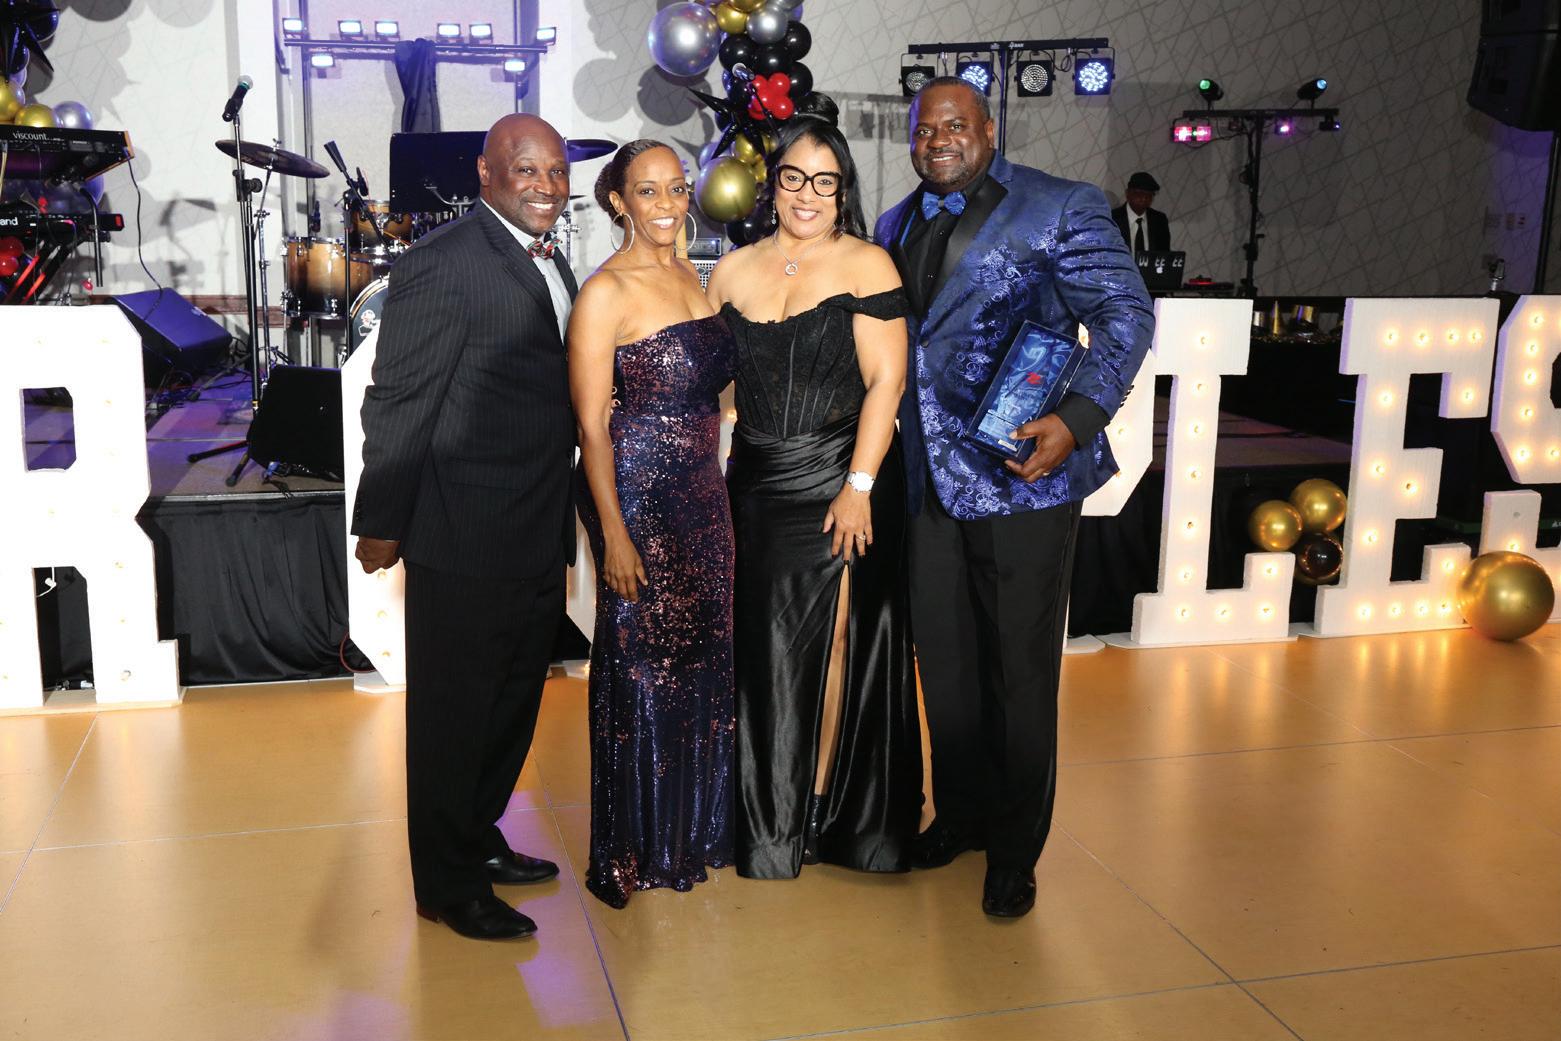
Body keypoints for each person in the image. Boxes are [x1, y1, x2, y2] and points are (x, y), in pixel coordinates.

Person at [875, 78, 1153, 918]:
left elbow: (1125, 313)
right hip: (926, 481)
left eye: (954, 125)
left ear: (989, 131)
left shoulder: (1059, 205)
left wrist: (1077, 417)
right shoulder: (892, 223)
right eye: (924, 130)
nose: (937, 139)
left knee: (1018, 674)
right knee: (946, 666)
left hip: (1024, 474)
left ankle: (1014, 849)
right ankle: (960, 815)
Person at [352, 114, 577, 941]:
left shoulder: (549, 258)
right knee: (453, 716)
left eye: (556, 171)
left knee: (512, 702)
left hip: (534, 523)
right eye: (527, 169)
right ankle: (446, 885)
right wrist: (382, 521)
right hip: (463, 528)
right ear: (485, 173)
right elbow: (399, 402)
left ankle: (478, 836)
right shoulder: (441, 262)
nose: (546, 185)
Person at [708, 116, 920, 879]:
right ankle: (765, 809)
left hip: (841, 474)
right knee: (761, 648)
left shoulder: (867, 263)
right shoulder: (730, 271)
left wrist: (858, 486)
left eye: (824, 182)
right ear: (772, 185)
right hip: (757, 481)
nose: (807, 195)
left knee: (834, 642)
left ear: (842, 191)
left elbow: (886, 382)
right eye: (794, 178)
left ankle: (821, 809)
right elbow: (720, 387)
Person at [568, 140, 737, 908]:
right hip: (638, 495)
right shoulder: (605, 292)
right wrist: (613, 532)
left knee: (700, 658)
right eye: (648, 190)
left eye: (675, 188)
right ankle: (634, 845)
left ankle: (694, 829)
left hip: (703, 493)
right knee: (639, 664)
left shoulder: (694, 277)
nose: (666, 204)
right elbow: (591, 428)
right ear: (618, 201)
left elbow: (712, 389)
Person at [1112, 171, 1171, 253]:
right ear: (1128, 193)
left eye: (1149, 195)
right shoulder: (1112, 219)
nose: (1144, 198)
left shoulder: (1159, 220)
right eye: (1139, 193)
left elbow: (1164, 254)